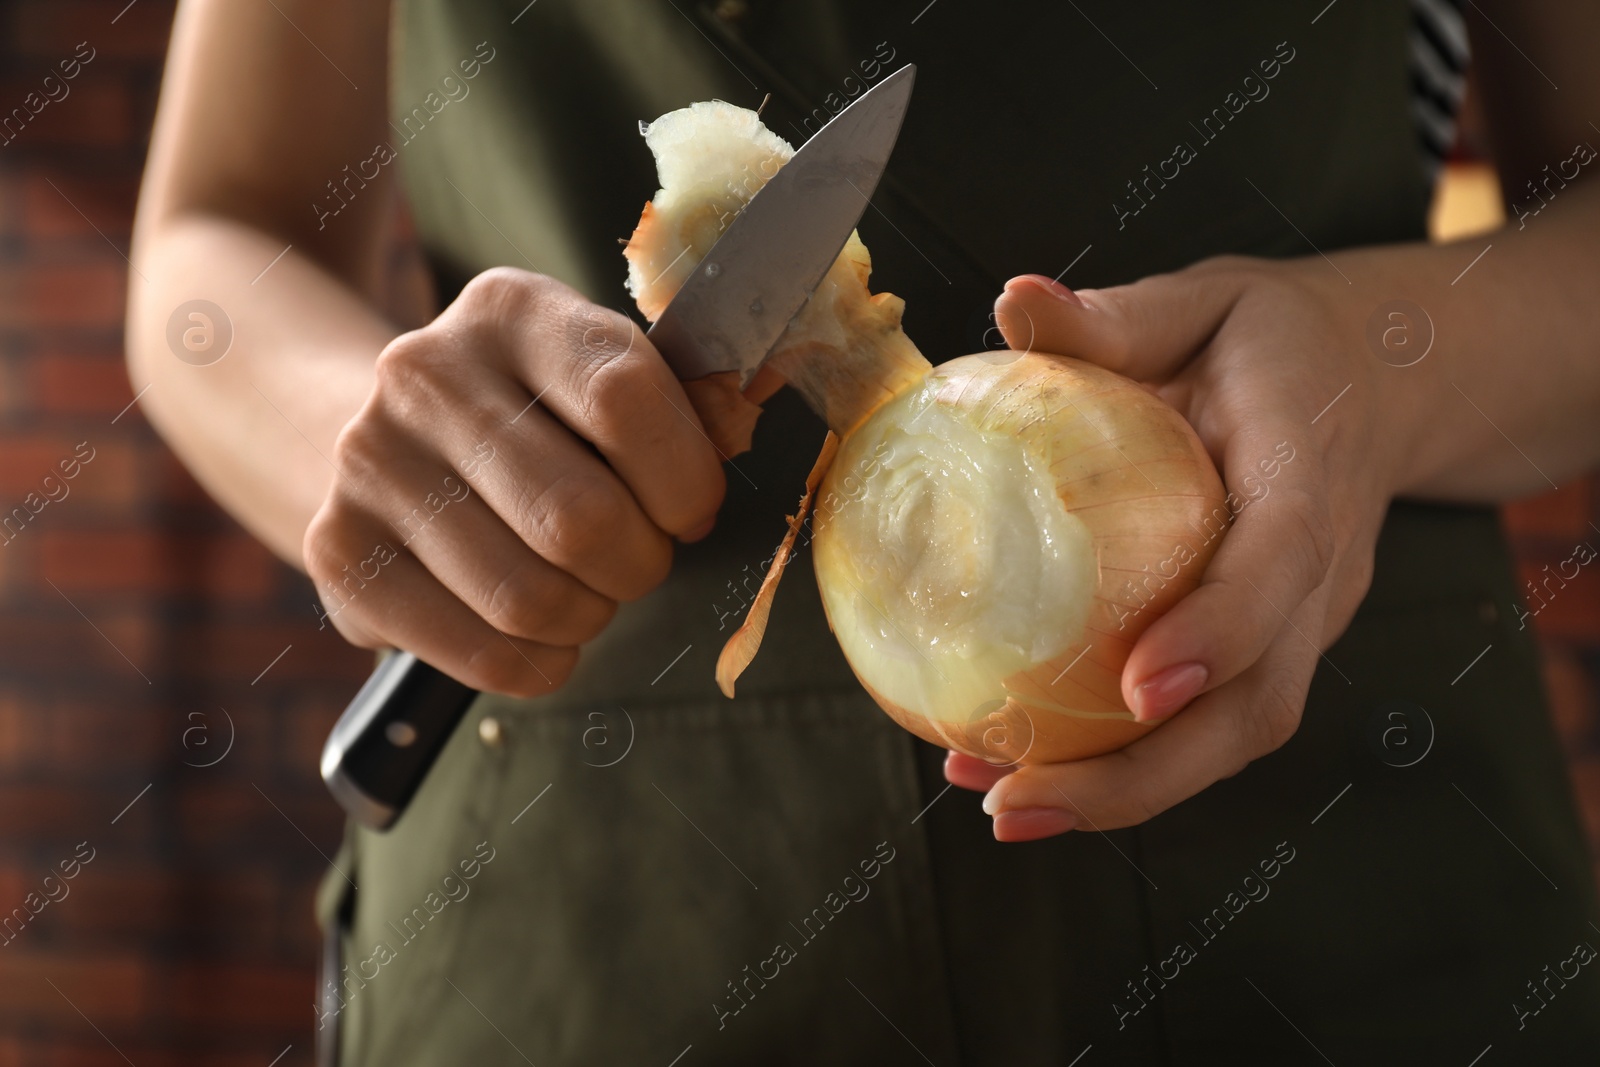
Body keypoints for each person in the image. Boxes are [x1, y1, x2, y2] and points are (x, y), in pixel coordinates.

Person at [128, 0, 1600, 1062]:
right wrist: (379, 451)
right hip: (585, 920)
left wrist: (1381, 362)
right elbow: (217, 229)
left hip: (1347, 894)